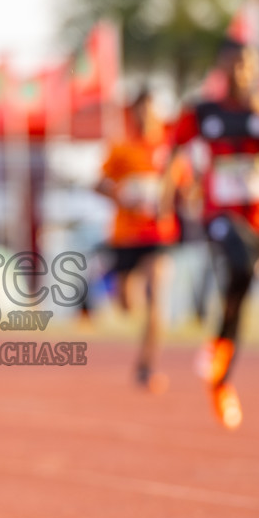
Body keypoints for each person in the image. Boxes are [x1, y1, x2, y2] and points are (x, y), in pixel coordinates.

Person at [174, 38, 259, 430]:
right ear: (221, 68)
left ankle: (221, 374)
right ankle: (219, 365)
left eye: (247, 66)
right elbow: (173, 149)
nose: (240, 73)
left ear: (256, 69)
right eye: (233, 65)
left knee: (241, 290)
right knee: (237, 260)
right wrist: (175, 192)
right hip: (221, 214)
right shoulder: (203, 111)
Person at [96, 91, 190, 393]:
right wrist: (123, 195)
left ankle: (147, 366)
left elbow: (187, 188)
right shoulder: (122, 148)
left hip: (159, 235)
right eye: (140, 111)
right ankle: (142, 328)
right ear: (133, 114)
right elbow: (98, 183)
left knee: (157, 296)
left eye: (150, 111)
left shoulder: (171, 151)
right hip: (126, 236)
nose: (145, 117)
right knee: (126, 303)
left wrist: (181, 197)